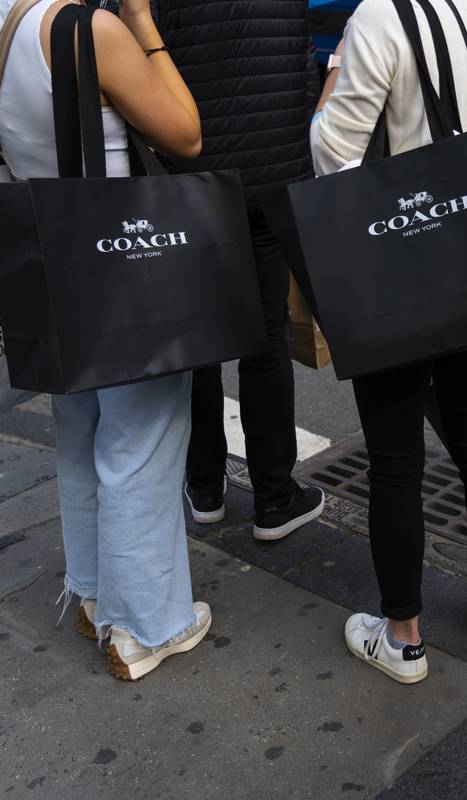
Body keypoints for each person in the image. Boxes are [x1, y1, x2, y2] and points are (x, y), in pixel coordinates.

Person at [0, 0, 210, 681]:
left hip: (48, 259)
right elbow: (186, 134)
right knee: (141, 442)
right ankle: (146, 627)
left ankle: (95, 595)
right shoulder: (91, 30)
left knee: (81, 431)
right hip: (126, 266)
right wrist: (144, 24)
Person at [310, 0, 467, 684]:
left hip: (398, 269)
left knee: (394, 460)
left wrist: (330, 82)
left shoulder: (377, 18)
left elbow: (333, 155)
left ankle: (404, 638)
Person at [157, 0, 326, 542]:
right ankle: (275, 497)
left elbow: (151, 71)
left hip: (194, 182)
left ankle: (204, 488)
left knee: (200, 346)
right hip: (272, 179)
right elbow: (304, 73)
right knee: (267, 343)